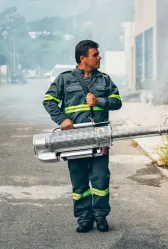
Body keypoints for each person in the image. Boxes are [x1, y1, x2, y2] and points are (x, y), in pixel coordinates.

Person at [43, 40, 122, 233]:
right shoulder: (65, 79)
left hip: (99, 137)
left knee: (101, 180)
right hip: (75, 139)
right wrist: (62, 119)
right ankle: (84, 218)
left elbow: (117, 101)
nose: (99, 57)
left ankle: (100, 217)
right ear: (83, 58)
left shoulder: (104, 79)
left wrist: (99, 101)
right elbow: (49, 101)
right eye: (95, 54)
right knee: (79, 181)